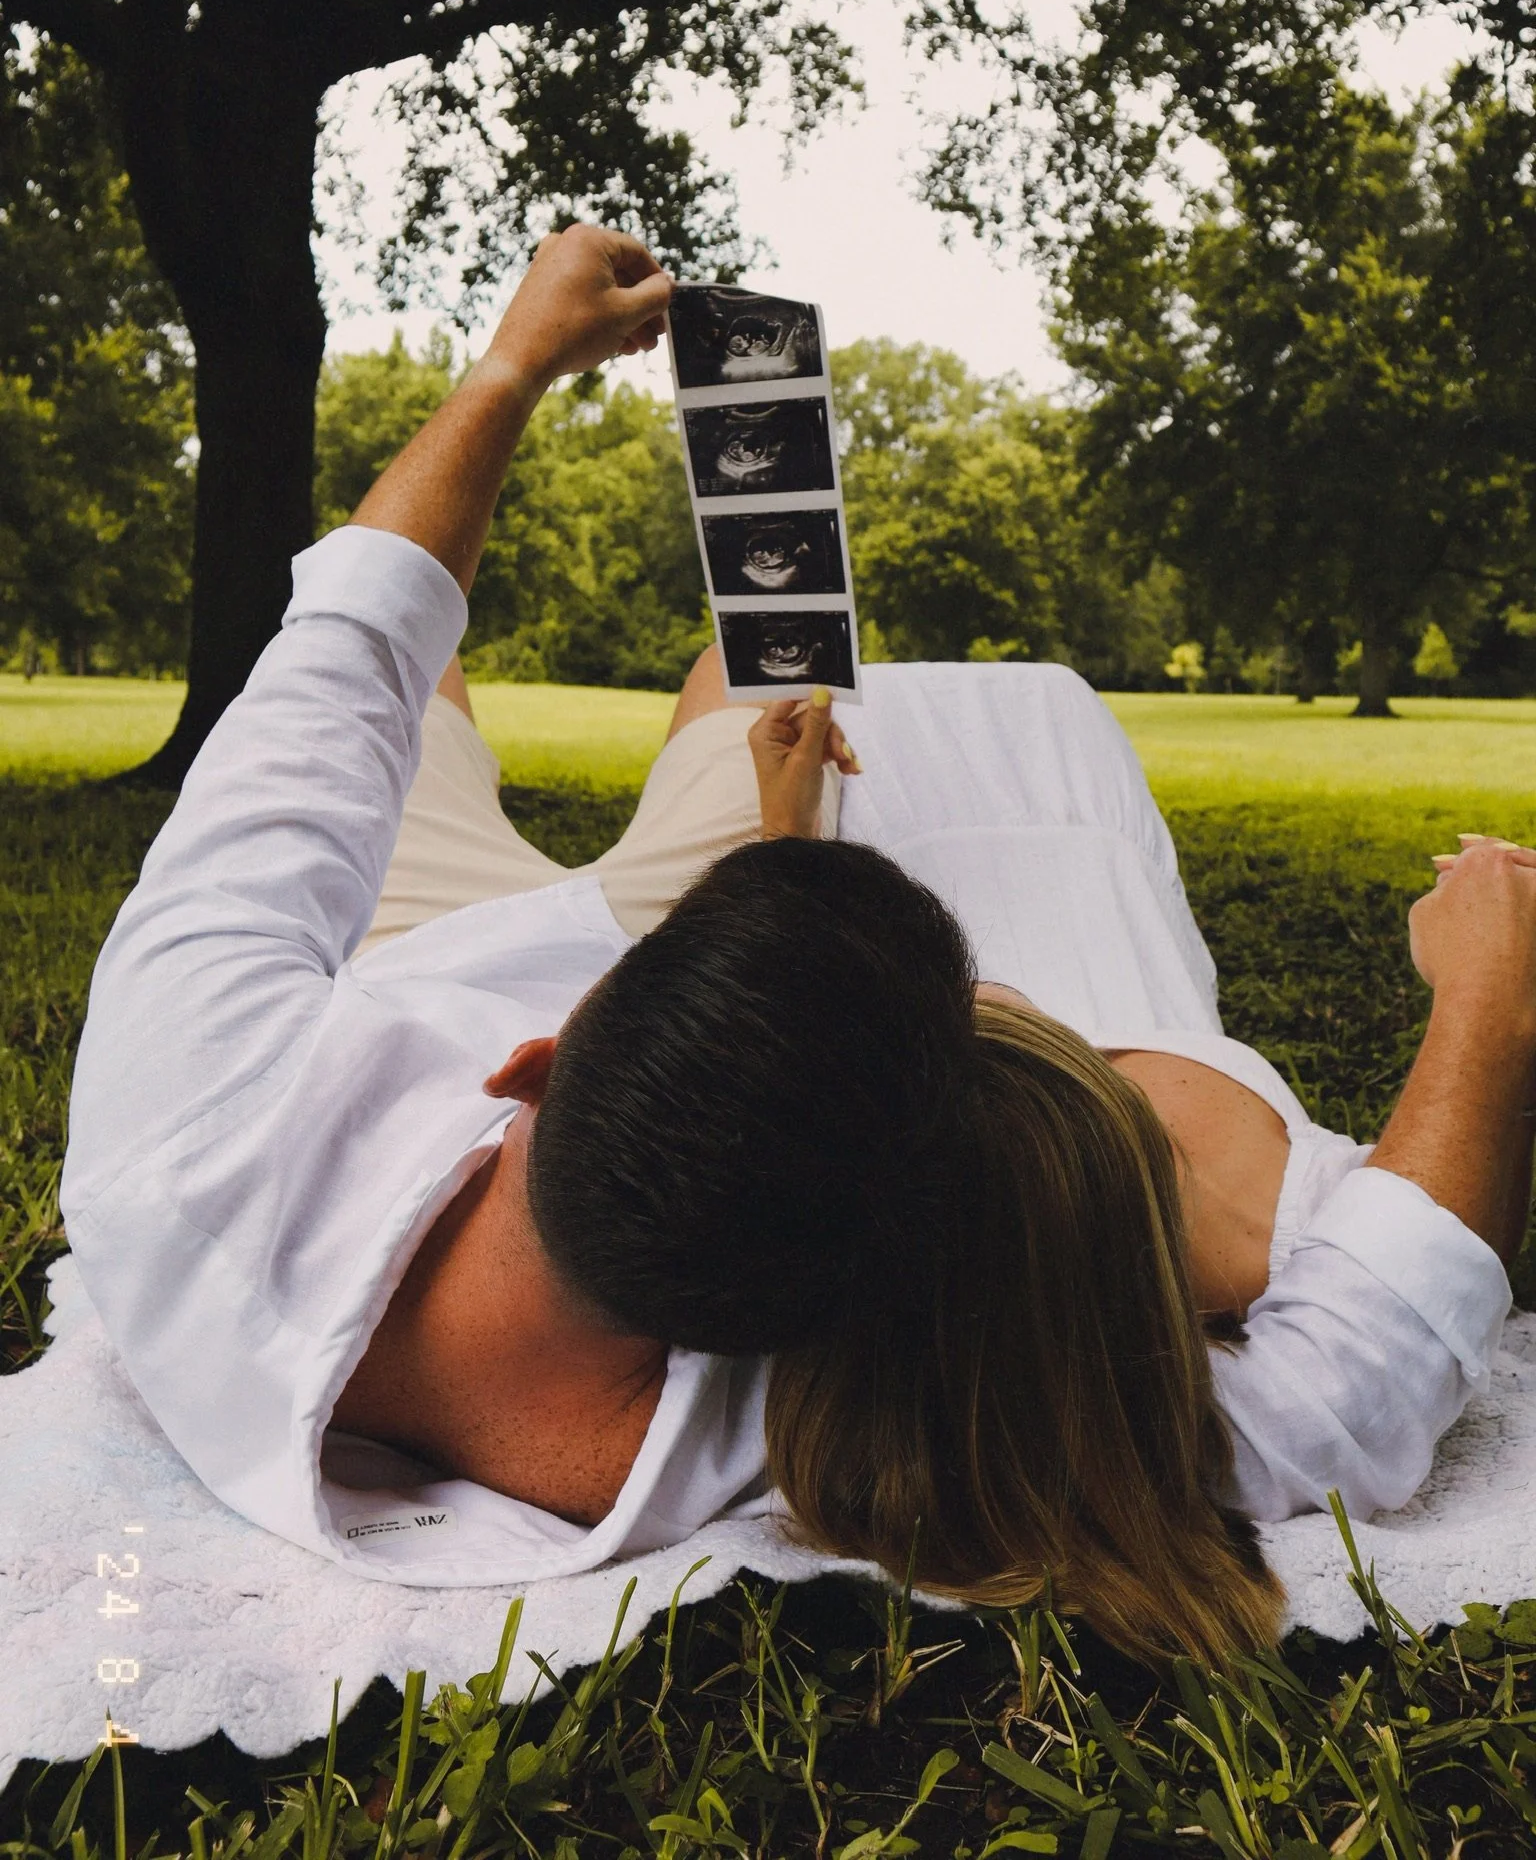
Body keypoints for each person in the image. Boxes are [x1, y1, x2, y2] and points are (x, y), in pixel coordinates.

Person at [60, 226, 1531, 1668]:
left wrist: (516, 364)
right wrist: (1486, 1009)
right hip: (649, 928)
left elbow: (351, 645)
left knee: (424, 676)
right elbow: (1359, 1386)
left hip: (401, 954)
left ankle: (717, 843)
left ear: (535, 1058)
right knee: (739, 671)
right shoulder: (851, 1399)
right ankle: (744, 837)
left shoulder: (183, 1107)